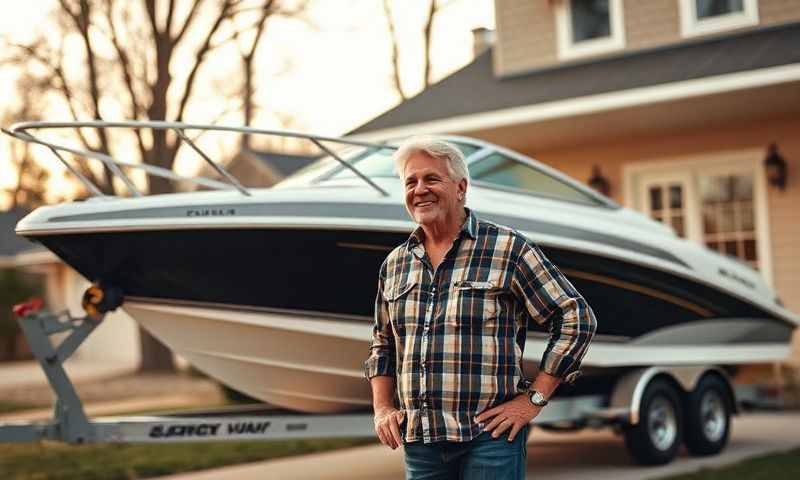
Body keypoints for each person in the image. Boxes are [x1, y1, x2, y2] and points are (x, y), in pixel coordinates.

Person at [364, 136, 597, 480]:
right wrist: (382, 408)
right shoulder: (395, 263)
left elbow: (575, 317)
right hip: (421, 443)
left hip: (490, 439)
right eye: (410, 182)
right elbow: (383, 343)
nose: (419, 189)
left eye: (431, 179)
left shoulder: (508, 248)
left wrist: (533, 399)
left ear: (460, 187)